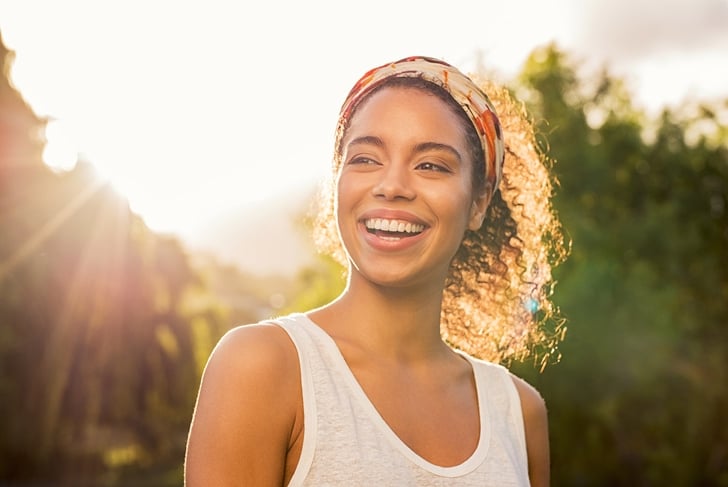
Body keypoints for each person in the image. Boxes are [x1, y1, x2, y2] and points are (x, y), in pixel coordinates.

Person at [185, 55, 566, 486]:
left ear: (478, 202)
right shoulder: (262, 366)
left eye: (431, 165)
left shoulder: (518, 412)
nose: (392, 186)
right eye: (366, 159)